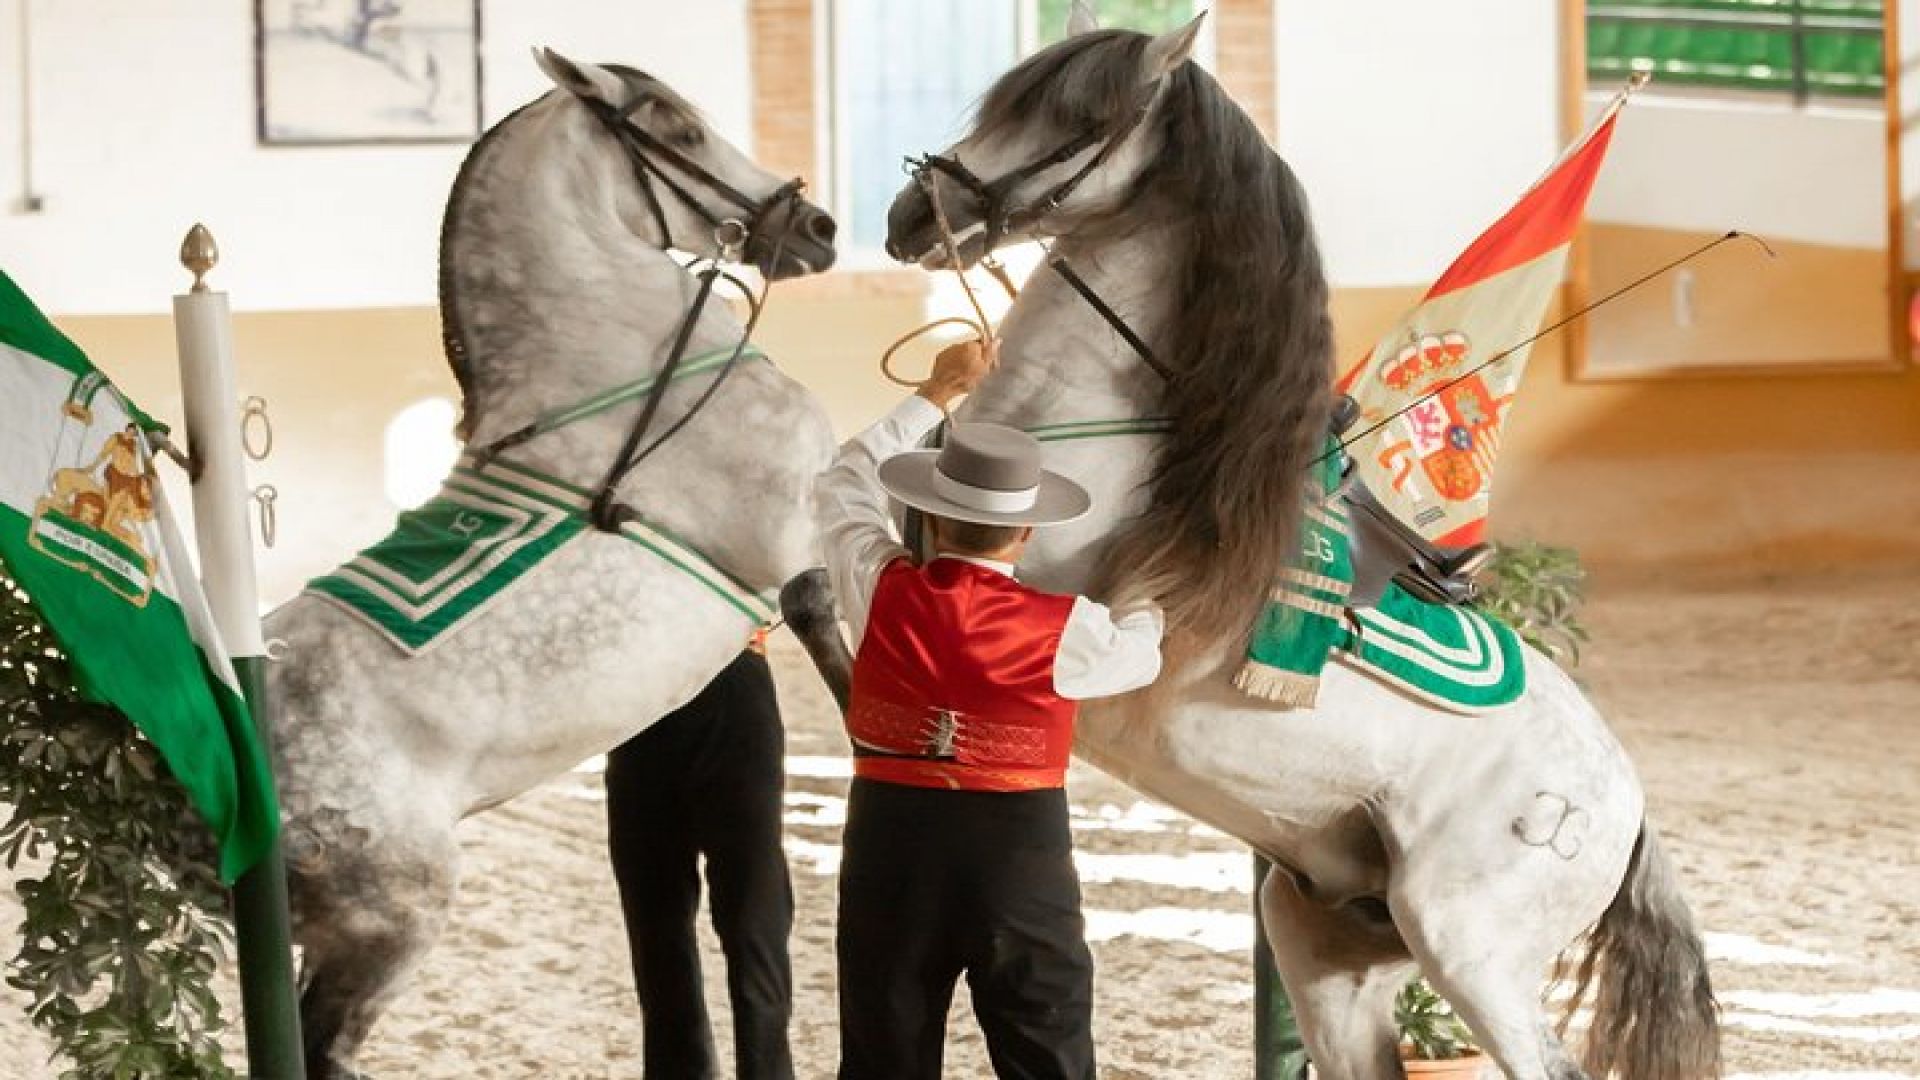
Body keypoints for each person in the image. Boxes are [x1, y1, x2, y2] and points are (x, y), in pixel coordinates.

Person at [814, 338, 1165, 1080]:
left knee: (884, 1050)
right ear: (1028, 530)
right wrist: (1140, 596)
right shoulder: (1071, 627)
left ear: (931, 518)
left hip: (888, 841)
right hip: (1020, 855)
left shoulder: (878, 585)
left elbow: (844, 479)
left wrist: (937, 392)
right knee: (1048, 1051)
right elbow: (1144, 649)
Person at [604, 639, 794, 1080]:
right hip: (638, 697)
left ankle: (768, 1072)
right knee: (653, 912)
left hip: (730, 674)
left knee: (752, 915)